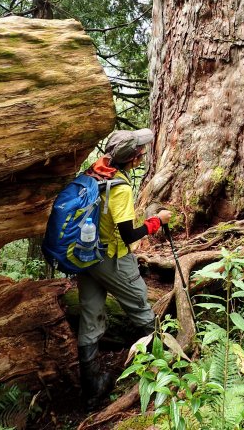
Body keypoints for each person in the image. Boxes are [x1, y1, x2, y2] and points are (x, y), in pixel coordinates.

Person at [77, 128, 172, 409]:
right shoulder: (119, 187)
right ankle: (164, 369)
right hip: (112, 259)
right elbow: (129, 235)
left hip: (86, 258)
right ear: (133, 158)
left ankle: (92, 389)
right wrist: (157, 221)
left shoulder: (92, 172)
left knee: (90, 315)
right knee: (142, 309)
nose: (143, 152)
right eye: (140, 150)